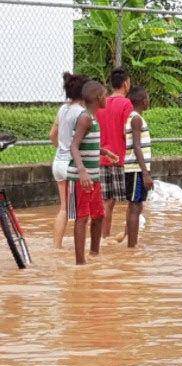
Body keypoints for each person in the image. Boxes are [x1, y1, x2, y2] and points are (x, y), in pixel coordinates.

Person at [67, 81, 119, 265]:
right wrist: (82, 171)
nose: (107, 98)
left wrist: (104, 152)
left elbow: (87, 144)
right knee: (82, 218)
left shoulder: (93, 118)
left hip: (93, 178)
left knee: (99, 215)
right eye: (105, 95)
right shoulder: (85, 118)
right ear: (98, 98)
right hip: (82, 178)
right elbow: (74, 145)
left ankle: (94, 254)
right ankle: (80, 263)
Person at [49, 72, 89, 249]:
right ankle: (80, 250)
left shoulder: (62, 109)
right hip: (71, 166)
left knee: (63, 208)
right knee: (79, 212)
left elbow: (52, 135)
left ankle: (56, 248)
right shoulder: (81, 113)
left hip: (58, 162)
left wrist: (60, 148)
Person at [97, 67, 133, 239]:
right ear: (125, 84)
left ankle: (103, 238)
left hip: (102, 159)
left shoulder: (102, 103)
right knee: (132, 200)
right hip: (121, 158)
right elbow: (129, 132)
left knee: (107, 202)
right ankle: (128, 235)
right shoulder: (126, 104)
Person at [118, 86, 154, 248]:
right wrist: (145, 173)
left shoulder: (136, 117)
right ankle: (131, 246)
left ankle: (133, 242)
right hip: (135, 170)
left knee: (138, 205)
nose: (148, 101)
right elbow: (137, 147)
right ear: (142, 101)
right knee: (134, 206)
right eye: (147, 98)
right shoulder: (136, 119)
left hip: (139, 169)